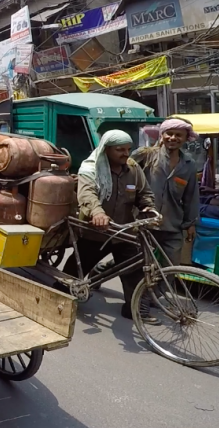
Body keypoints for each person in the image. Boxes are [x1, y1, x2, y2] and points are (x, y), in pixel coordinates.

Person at [63, 130, 156, 320]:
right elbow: (87, 195)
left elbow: (144, 193)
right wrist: (97, 213)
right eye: (120, 150)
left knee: (133, 272)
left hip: (123, 231)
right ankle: (61, 298)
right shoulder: (90, 169)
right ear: (106, 150)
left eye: (128, 149)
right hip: (95, 232)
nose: (126, 154)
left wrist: (148, 207)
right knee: (75, 270)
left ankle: (134, 310)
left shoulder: (133, 169)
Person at [132, 118, 201, 265]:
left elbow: (191, 196)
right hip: (145, 221)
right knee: (137, 264)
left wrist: (191, 224)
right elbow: (124, 169)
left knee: (170, 267)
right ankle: (102, 270)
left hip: (172, 225)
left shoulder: (189, 165)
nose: (173, 138)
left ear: (185, 139)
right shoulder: (147, 155)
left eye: (178, 135)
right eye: (169, 133)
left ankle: (163, 289)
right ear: (162, 135)